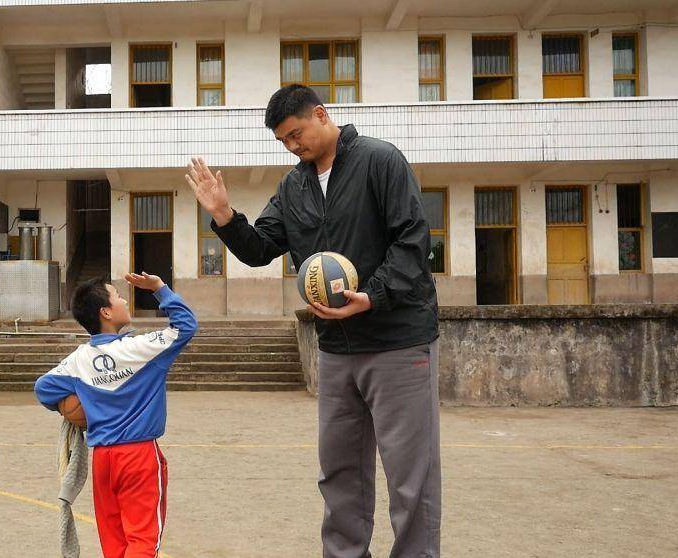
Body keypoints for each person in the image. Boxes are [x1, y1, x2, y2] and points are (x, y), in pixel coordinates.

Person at [185, 84, 441, 558]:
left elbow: (412, 240)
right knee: (339, 473)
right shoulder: (293, 187)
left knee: (410, 477)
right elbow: (261, 248)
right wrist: (223, 215)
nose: (292, 145)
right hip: (336, 348)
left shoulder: (380, 161)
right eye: (283, 140)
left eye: (296, 133)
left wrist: (372, 296)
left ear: (321, 114)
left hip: (398, 341)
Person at [34, 272, 198, 558]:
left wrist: (80, 406)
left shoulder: (79, 359)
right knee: (143, 541)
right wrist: (159, 288)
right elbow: (185, 326)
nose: (124, 300)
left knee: (115, 543)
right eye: (118, 296)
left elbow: (43, 388)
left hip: (103, 459)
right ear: (106, 312)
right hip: (138, 456)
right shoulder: (140, 348)